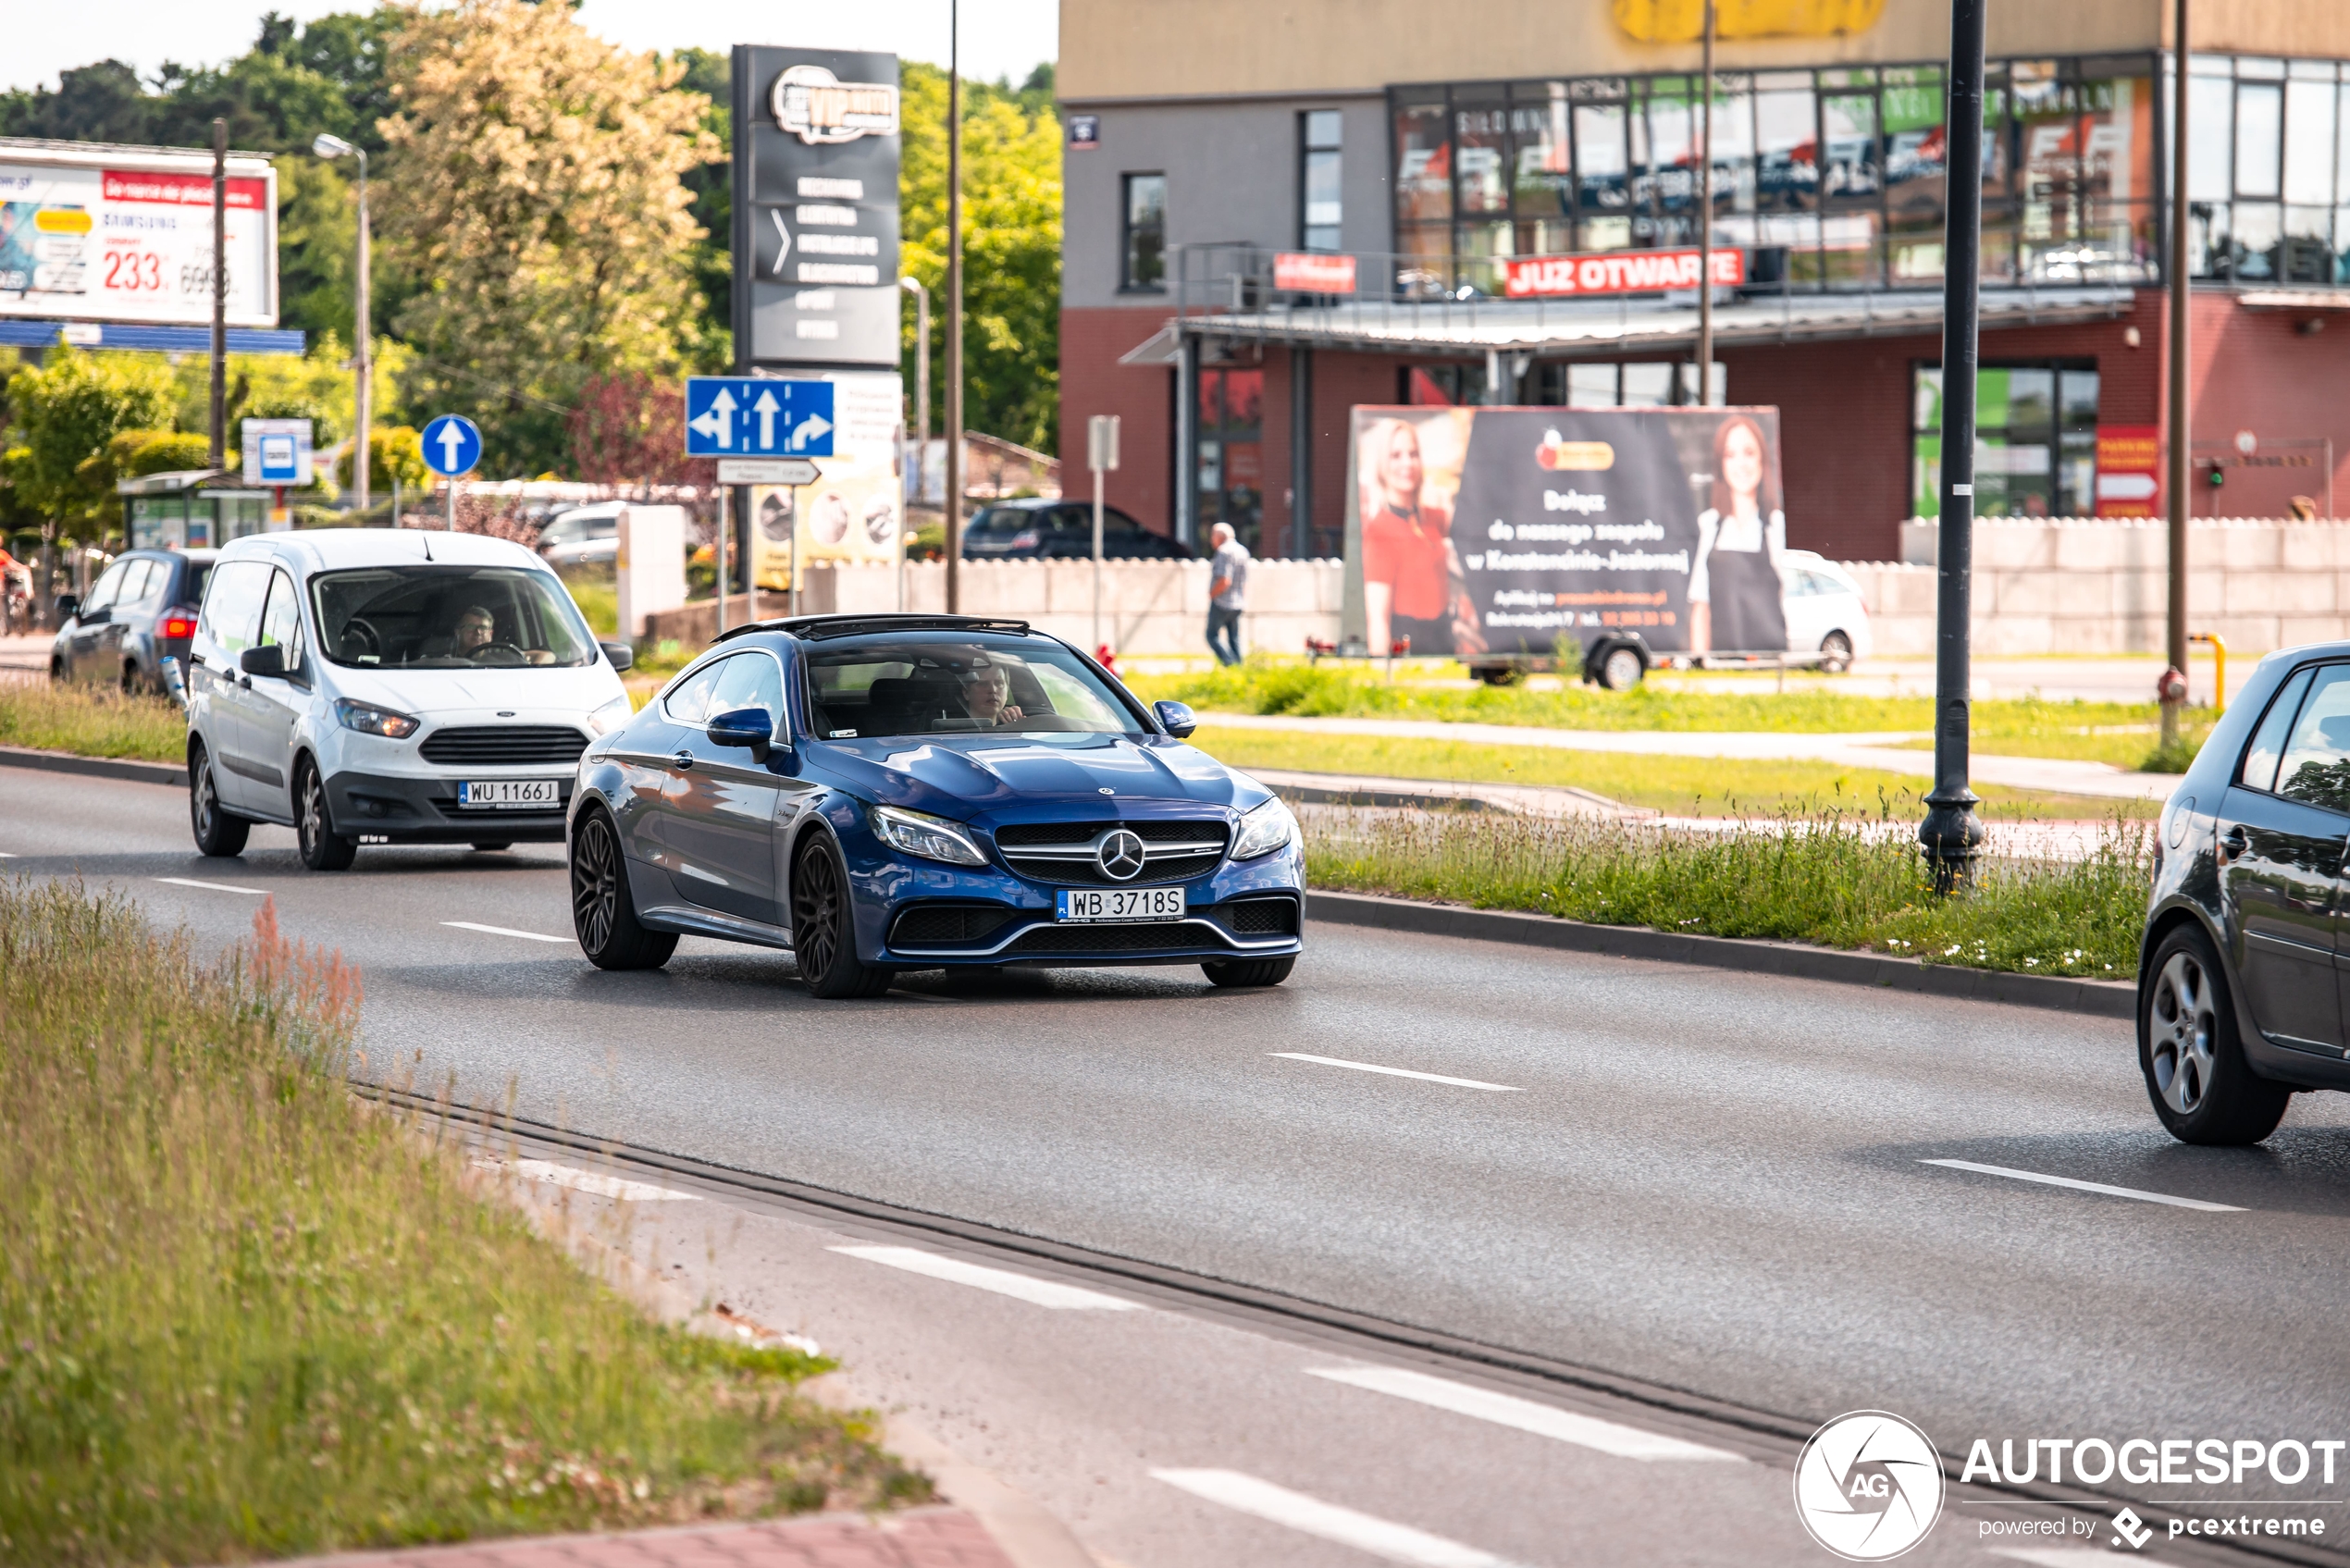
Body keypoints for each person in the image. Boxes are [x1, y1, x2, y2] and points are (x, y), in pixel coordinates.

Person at [1361, 419, 1482, 657]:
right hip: (1408, 644)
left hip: (1445, 641)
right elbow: (1377, 618)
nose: (1407, 463)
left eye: (1413, 454)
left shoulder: (1435, 518)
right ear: (1382, 463)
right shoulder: (1380, 530)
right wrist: (1382, 675)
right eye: (1396, 455)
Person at [1688, 414, 1788, 657]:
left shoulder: (1775, 524)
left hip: (1766, 656)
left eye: (1749, 452)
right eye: (1730, 455)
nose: (1741, 464)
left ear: (1763, 458)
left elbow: (1784, 595)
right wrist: (1701, 663)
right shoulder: (1709, 525)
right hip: (1722, 660)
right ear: (1721, 464)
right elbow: (1701, 607)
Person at [1206, 521, 1250, 666]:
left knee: (1211, 635)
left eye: (1212, 535)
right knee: (1234, 637)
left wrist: (1212, 594)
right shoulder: (1242, 550)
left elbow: (1225, 580)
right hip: (1238, 602)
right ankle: (1239, 667)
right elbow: (1244, 580)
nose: (1211, 539)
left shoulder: (1224, 551)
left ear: (1220, 536)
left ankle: (1230, 664)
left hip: (1222, 601)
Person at [960, 661, 1024, 725]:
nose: (993, 690)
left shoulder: (1018, 725)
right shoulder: (953, 732)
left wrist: (1017, 725)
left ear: (1007, 690)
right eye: (983, 684)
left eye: (999, 683)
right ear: (966, 693)